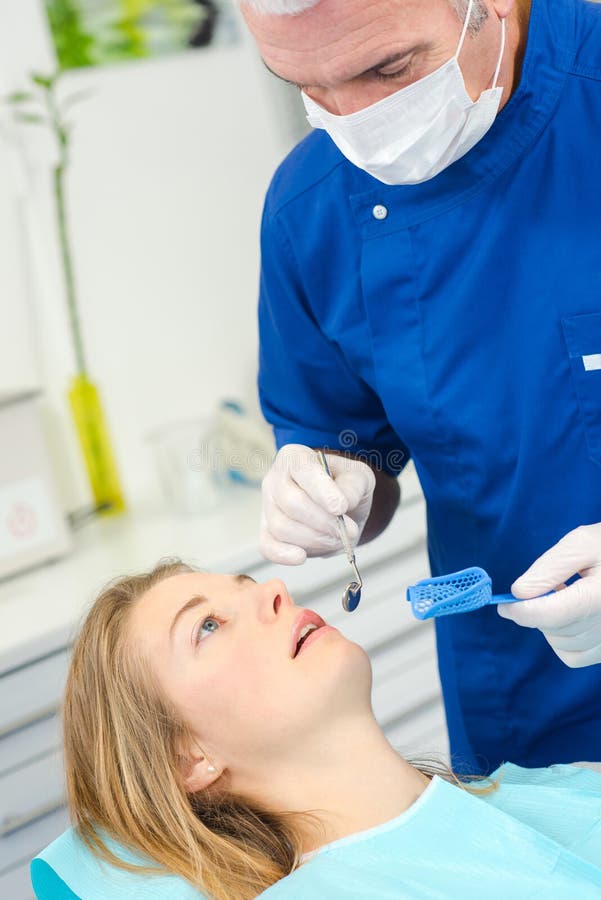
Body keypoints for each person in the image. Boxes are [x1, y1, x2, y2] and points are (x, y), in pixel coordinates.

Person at [239, 0, 601, 774]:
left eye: (387, 69)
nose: (356, 122)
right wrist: (334, 484)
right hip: (527, 726)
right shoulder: (312, 210)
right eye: (305, 85)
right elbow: (346, 437)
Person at [50, 560, 601, 899]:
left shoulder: (550, 788)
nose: (275, 589)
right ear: (187, 758)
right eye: (207, 626)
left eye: (248, 585)